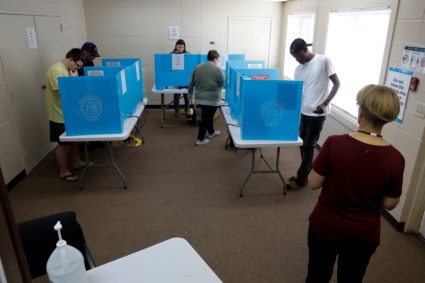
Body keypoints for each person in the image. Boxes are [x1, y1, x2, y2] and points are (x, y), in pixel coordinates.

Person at [306, 85, 404, 282]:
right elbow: (390, 203)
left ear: (360, 111)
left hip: (325, 227)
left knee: (317, 276)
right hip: (363, 235)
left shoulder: (334, 143)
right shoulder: (396, 158)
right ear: (388, 117)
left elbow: (313, 183)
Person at [287, 38, 340, 190]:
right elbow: (298, 91)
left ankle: (301, 178)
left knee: (309, 145)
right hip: (304, 111)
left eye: (299, 56)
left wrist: (325, 103)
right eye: (294, 58)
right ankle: (306, 172)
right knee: (302, 144)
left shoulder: (324, 61)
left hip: (318, 113)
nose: (297, 60)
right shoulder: (298, 69)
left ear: (305, 50)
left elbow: (337, 84)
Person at [45, 48, 86, 182]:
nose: (78, 68)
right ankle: (63, 171)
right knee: (62, 143)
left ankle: (76, 161)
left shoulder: (68, 69)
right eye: (78, 65)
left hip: (68, 112)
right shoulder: (56, 70)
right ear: (70, 59)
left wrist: (74, 75)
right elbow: (64, 92)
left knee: (73, 138)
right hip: (59, 113)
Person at [188, 50, 224, 146]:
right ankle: (200, 139)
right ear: (216, 59)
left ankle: (211, 132)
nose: (218, 61)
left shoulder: (198, 67)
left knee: (208, 117)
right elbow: (222, 83)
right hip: (212, 99)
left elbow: (191, 82)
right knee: (206, 118)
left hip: (199, 97)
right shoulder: (217, 70)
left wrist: (190, 93)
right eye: (218, 59)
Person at [170, 39, 190, 117]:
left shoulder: (187, 55)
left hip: (185, 78)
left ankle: (187, 110)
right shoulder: (172, 54)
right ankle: (177, 111)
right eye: (179, 47)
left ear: (184, 47)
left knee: (187, 96)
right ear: (176, 46)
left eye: (182, 47)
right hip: (176, 78)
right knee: (176, 96)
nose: (181, 49)